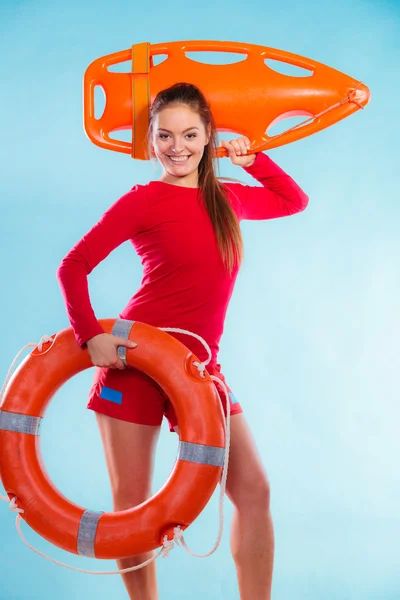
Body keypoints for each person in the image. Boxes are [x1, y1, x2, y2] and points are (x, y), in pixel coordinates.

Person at [57, 82, 309, 600]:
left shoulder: (227, 199)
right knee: (133, 507)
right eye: (165, 136)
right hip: (136, 363)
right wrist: (90, 338)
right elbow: (73, 266)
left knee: (254, 491)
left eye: (190, 134)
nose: (178, 147)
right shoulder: (142, 200)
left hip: (200, 368)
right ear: (150, 142)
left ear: (208, 136)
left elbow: (292, 201)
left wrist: (255, 158)